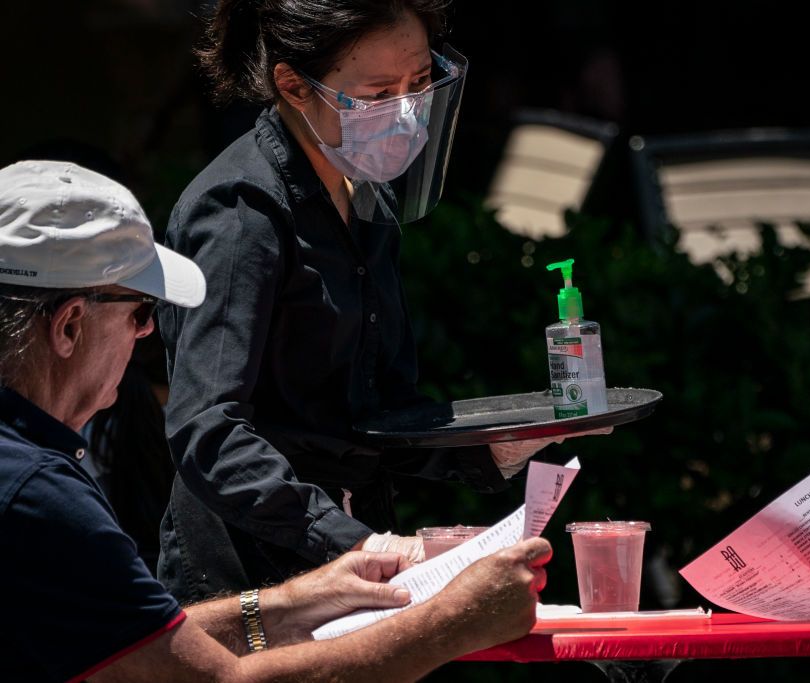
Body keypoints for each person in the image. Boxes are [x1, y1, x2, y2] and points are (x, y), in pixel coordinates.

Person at [0, 159, 552, 682]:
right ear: (70, 326)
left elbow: (132, 642)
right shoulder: (38, 494)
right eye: (139, 312)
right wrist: (453, 621)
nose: (146, 334)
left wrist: (295, 602)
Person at [158, 0, 605, 603]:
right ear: (293, 85)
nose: (404, 112)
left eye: (419, 84)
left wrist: (495, 446)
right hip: (245, 569)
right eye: (377, 93)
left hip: (356, 545)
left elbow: (379, 410)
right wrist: (355, 542)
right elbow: (207, 430)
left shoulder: (368, 199)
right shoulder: (242, 211)